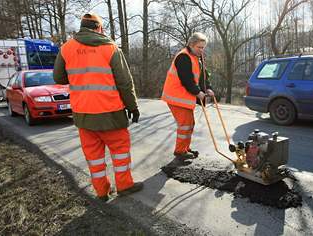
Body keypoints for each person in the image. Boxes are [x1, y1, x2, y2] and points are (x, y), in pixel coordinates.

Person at [53, 13, 143, 201]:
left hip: (83, 115)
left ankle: (102, 192)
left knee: (94, 158)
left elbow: (59, 78)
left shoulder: (67, 48)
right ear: (99, 28)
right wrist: (132, 107)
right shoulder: (110, 48)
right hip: (111, 114)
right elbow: (125, 82)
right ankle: (124, 185)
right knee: (120, 153)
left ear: (82, 27)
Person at [161, 32, 215, 159]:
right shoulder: (183, 57)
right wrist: (198, 92)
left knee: (190, 124)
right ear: (191, 44)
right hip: (176, 96)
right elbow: (187, 80)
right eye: (199, 47)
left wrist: (209, 89)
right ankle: (180, 152)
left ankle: (185, 148)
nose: (201, 50)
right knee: (185, 125)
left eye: (203, 47)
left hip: (185, 97)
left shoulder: (197, 57)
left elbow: (202, 76)